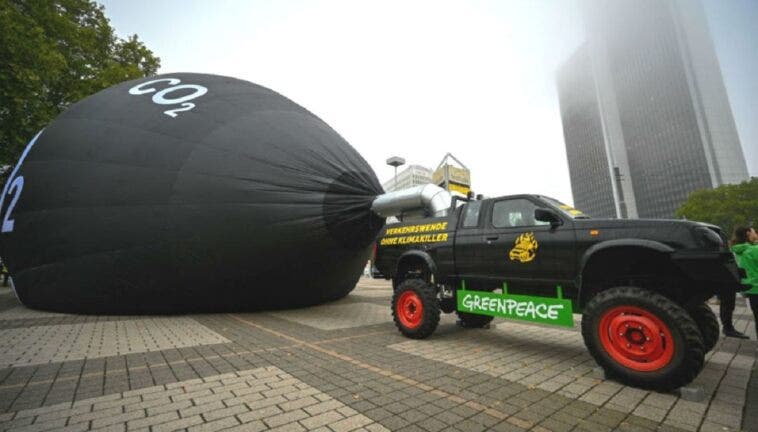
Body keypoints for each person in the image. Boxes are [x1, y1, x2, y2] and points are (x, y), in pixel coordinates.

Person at [730, 226, 758, 339]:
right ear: (748, 233)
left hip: (750, 288)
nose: (755, 233)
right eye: (753, 231)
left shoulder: (736, 251)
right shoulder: (754, 250)